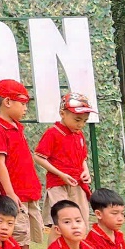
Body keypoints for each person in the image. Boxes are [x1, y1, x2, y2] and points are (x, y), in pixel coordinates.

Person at [0, 79, 43, 249]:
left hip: (28, 192)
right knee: (16, 239)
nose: (25, 108)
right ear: (8, 102)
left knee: (26, 237)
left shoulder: (17, 127)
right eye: (23, 103)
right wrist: (10, 193)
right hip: (15, 195)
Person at [33, 92, 93, 226]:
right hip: (58, 184)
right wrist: (60, 174)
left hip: (77, 184)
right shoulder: (53, 133)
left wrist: (86, 171)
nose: (81, 124)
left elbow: (82, 157)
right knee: (61, 221)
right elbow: (38, 157)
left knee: (81, 220)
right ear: (62, 114)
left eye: (84, 121)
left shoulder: (79, 135)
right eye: (77, 120)